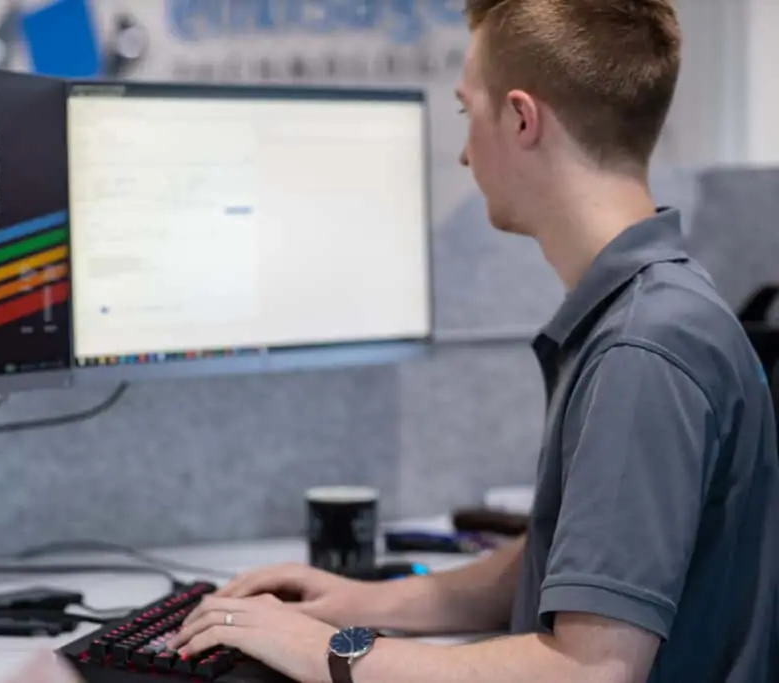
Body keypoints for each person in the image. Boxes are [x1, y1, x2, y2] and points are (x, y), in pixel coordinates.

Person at [167, 1, 779, 682]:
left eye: (468, 113)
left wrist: (324, 653)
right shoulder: (658, 305)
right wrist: (359, 601)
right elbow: (568, 564)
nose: (463, 151)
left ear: (521, 119)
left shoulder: (643, 350)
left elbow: (589, 670)